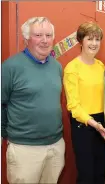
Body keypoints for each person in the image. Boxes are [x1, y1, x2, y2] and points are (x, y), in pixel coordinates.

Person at [1, 17, 65, 184]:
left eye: (49, 35)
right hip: (24, 150)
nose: (45, 40)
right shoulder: (10, 67)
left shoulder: (57, 67)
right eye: (38, 35)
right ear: (26, 39)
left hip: (56, 145)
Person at [63, 22, 105, 184]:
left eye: (97, 39)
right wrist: (94, 124)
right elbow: (73, 106)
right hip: (83, 125)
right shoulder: (72, 68)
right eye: (89, 39)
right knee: (86, 175)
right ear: (80, 41)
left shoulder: (100, 66)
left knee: (100, 171)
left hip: (102, 123)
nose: (94, 43)